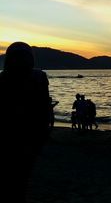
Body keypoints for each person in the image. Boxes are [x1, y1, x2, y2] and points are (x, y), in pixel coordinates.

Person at [0, 42, 51, 202]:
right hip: (20, 135)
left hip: (25, 135)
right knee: (19, 177)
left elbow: (44, 108)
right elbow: (45, 108)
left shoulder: (37, 78)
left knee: (18, 177)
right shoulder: (39, 77)